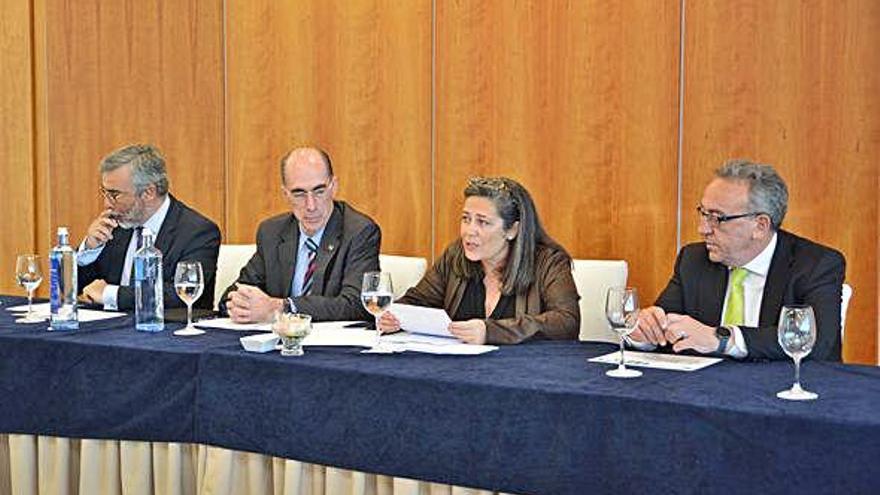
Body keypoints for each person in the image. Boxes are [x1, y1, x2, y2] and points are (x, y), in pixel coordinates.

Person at [630, 159, 845, 361]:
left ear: (760, 226)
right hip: (705, 392)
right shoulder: (694, 260)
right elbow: (665, 328)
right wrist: (645, 331)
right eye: (703, 214)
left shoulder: (816, 265)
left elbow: (817, 343)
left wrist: (723, 339)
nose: (703, 229)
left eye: (717, 218)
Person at [379, 176, 580, 345]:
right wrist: (393, 317)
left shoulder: (549, 263)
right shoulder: (455, 255)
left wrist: (490, 331)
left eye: (482, 222)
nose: (469, 231)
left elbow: (566, 322)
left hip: (527, 376)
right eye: (466, 219)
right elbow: (417, 301)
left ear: (512, 230)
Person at [222, 146, 381, 322]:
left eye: (319, 191)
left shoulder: (359, 231)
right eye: (299, 194)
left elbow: (357, 305)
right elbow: (233, 294)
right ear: (285, 194)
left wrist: (282, 307)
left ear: (333, 187)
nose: (311, 205)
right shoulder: (272, 232)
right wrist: (240, 304)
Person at [79, 144, 221, 310]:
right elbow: (75, 287)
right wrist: (90, 248)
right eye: (105, 193)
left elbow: (181, 295)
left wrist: (110, 294)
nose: (107, 204)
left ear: (148, 192)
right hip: (110, 329)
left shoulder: (198, 232)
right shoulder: (114, 225)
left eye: (114, 195)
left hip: (170, 332)